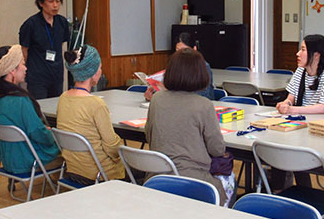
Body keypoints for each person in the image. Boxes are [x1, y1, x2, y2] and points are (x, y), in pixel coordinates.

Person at [145, 48, 233, 205]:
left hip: (157, 179)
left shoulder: (157, 99)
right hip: (194, 183)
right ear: (200, 74)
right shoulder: (204, 105)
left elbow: (149, 135)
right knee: (230, 178)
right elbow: (217, 149)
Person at [0, 44, 60, 175]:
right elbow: (38, 133)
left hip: (8, 159)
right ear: (12, 70)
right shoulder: (20, 100)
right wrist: (54, 136)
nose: (26, 68)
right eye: (23, 64)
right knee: (68, 146)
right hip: (31, 160)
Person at [56, 45, 125, 183]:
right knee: (142, 172)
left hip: (74, 170)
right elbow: (112, 147)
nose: (101, 71)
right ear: (93, 72)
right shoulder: (96, 104)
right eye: (100, 68)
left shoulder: (63, 98)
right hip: (101, 173)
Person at [19, 0, 70, 99]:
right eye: (51, 1)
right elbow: (24, 51)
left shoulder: (62, 22)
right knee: (39, 109)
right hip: (37, 76)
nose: (55, 5)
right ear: (41, 3)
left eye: (58, 1)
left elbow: (60, 44)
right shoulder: (30, 24)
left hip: (56, 74)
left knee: (55, 107)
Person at [276, 34, 324, 115]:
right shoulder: (300, 70)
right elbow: (290, 98)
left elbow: (322, 108)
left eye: (303, 50)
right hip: (302, 119)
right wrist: (286, 104)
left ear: (316, 55)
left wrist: (292, 110)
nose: (298, 53)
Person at [144, 32, 215, 101]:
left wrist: (172, 93)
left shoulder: (203, 66)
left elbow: (204, 95)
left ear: (194, 49)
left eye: (184, 50)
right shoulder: (174, 66)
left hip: (197, 105)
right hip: (176, 104)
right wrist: (153, 96)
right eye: (177, 50)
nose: (180, 54)